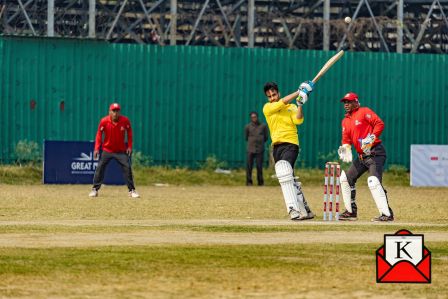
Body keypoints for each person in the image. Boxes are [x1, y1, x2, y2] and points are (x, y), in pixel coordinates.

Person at [337, 92, 394, 221]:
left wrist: (373, 137)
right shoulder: (345, 121)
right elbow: (346, 139)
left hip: (375, 153)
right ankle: (351, 212)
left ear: (356, 102)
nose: (346, 104)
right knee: (345, 179)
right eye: (345, 102)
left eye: (349, 102)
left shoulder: (364, 111)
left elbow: (379, 123)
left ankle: (387, 214)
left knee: (373, 182)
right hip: (362, 157)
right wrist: (346, 148)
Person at [262, 81, 314, 221]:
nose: (272, 97)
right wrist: (299, 91)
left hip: (291, 144)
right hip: (277, 147)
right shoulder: (268, 108)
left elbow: (298, 120)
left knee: (284, 171)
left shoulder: (291, 107)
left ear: (278, 93)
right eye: (270, 96)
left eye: (274, 94)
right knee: (288, 177)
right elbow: (281, 103)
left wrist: (300, 105)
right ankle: (306, 210)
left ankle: (294, 210)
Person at [88, 103, 140, 198]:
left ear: (119, 112)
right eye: (113, 111)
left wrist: (129, 146)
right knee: (100, 168)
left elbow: (130, 133)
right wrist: (96, 148)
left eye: (117, 111)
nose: (115, 113)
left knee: (127, 168)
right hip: (107, 150)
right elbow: (99, 135)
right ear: (110, 112)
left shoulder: (125, 121)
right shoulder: (104, 121)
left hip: (120, 151)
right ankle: (95, 189)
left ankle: (132, 190)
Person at [245, 112, 268, 186]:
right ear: (251, 118)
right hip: (250, 149)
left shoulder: (263, 126)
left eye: (255, 117)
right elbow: (246, 137)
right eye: (252, 117)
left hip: (260, 149)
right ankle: (249, 182)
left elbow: (266, 137)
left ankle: (260, 183)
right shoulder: (248, 127)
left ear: (257, 117)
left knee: (259, 166)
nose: (254, 118)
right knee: (249, 166)